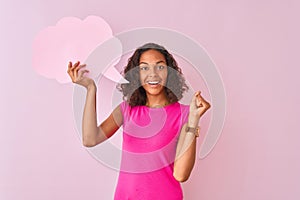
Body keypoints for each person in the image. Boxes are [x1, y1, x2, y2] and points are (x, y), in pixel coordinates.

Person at [67, 43, 211, 200]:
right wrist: (90, 89)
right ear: (137, 74)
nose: (153, 74)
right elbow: (90, 139)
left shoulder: (184, 114)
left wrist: (194, 120)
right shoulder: (127, 110)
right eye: (144, 68)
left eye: (160, 67)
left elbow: (181, 174)